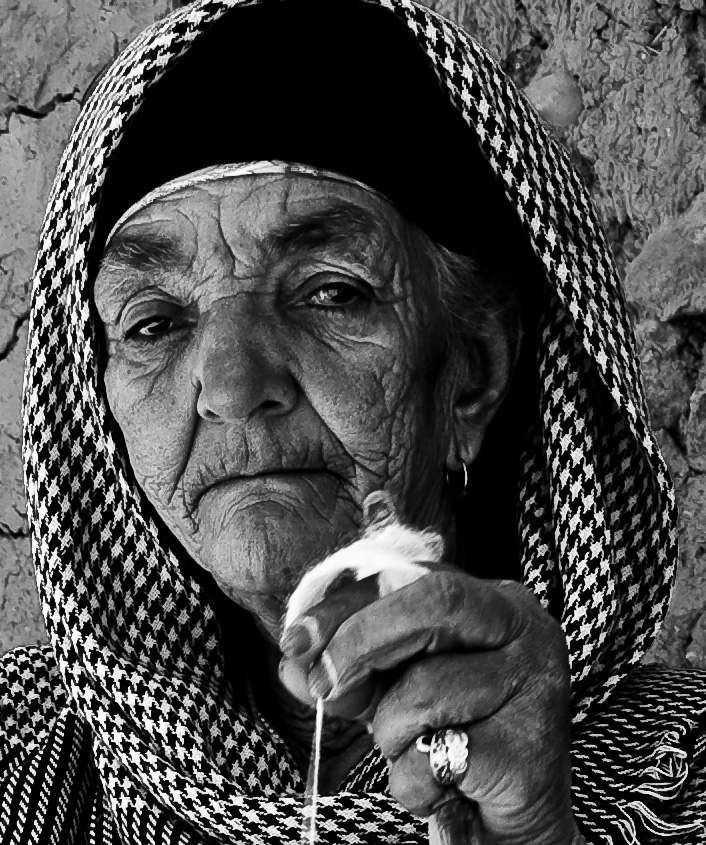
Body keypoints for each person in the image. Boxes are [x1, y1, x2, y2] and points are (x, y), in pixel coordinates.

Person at [1, 0, 705, 843]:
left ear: (472, 369)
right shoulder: (21, 759)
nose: (229, 385)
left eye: (331, 292)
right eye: (154, 323)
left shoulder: (681, 772)